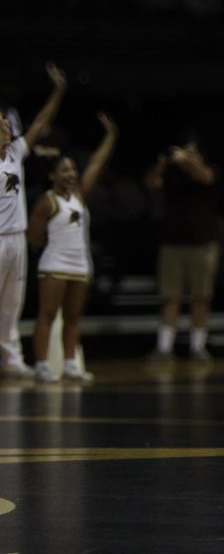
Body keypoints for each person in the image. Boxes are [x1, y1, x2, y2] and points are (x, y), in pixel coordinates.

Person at [27, 113, 117, 382]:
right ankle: (42, 364)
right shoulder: (47, 201)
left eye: (73, 170)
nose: (71, 174)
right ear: (53, 175)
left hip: (80, 263)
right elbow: (33, 237)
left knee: (73, 318)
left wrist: (110, 137)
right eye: (64, 170)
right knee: (47, 315)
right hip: (55, 264)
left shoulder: (79, 195)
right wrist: (53, 249)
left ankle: (69, 364)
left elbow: (97, 164)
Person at [0, 63, 67, 379]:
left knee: (12, 303)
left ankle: (11, 358)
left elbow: (41, 122)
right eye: (1, 122)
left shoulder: (16, 152)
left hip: (17, 237)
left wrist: (58, 92)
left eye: (7, 122)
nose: (7, 126)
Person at [145, 134, 220, 362]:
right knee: (171, 297)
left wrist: (187, 160)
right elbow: (151, 183)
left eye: (191, 152)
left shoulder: (208, 170)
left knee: (201, 297)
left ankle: (198, 347)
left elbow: (205, 177)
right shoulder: (172, 175)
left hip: (202, 244)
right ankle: (165, 348)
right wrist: (163, 163)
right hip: (173, 243)